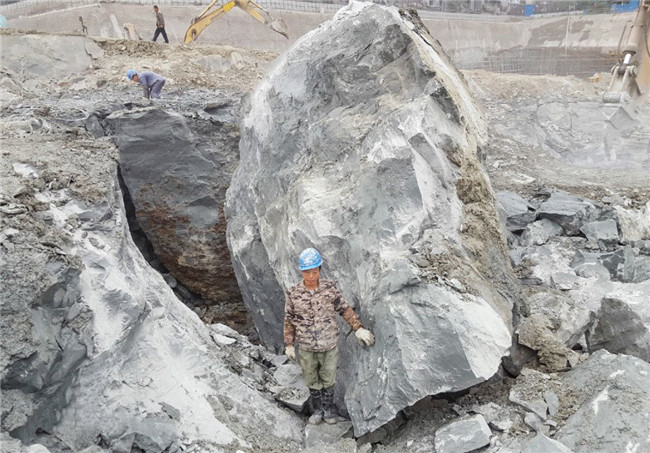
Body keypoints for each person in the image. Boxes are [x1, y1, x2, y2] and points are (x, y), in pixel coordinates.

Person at [283, 248, 375, 425]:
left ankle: (329, 410)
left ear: (319, 270)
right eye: (307, 272)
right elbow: (289, 320)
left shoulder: (329, 289)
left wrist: (358, 328)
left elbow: (345, 309)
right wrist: (288, 344)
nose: (311, 276)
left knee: (329, 378)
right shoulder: (293, 293)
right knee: (311, 378)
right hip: (306, 346)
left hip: (329, 344)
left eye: (314, 272)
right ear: (301, 271)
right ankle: (318, 410)